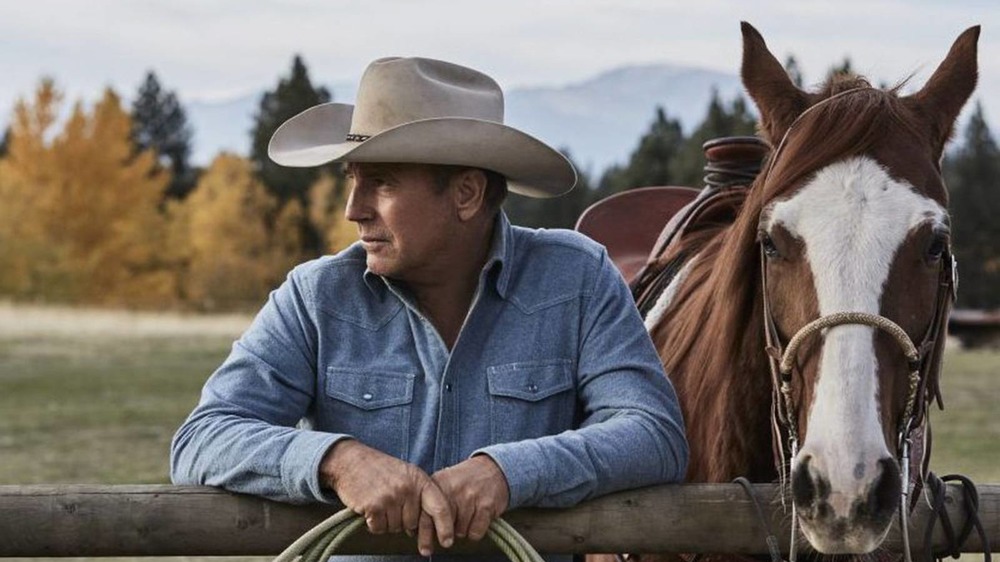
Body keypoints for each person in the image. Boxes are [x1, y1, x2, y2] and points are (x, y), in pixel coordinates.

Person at [170, 56, 688, 560]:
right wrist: (337, 460)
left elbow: (653, 433)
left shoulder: (576, 279)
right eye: (353, 178)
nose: (354, 209)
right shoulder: (316, 298)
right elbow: (203, 438)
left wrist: (508, 472)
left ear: (466, 194)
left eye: (383, 181)